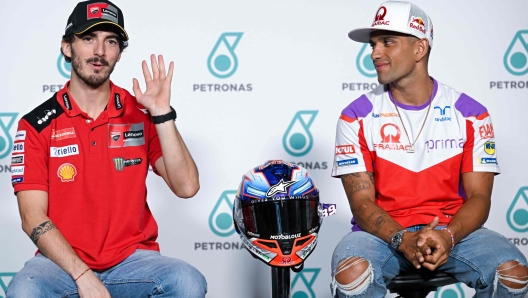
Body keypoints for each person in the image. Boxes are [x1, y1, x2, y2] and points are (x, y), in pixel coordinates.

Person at [7, 0, 207, 297]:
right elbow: (32, 217)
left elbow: (187, 186)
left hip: (133, 263)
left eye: (110, 41)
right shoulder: (36, 125)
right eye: (88, 38)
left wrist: (162, 114)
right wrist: (82, 275)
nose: (99, 51)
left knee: (187, 282)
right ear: (67, 47)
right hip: (61, 266)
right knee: (25, 290)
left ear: (119, 53)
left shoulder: (140, 114)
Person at [330, 1, 528, 297]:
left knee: (513, 276)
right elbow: (361, 203)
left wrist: (447, 236)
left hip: (453, 231)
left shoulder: (471, 114)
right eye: (373, 45)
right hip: (381, 236)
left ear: (420, 49)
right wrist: (403, 239)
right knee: (352, 276)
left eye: (387, 42)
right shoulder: (355, 116)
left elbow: (479, 198)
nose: (374, 54)